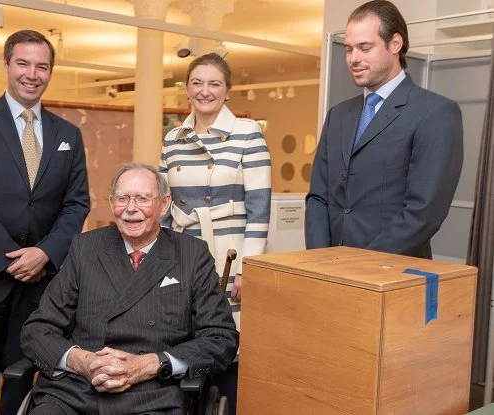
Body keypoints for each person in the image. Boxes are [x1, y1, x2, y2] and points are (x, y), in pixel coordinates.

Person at [0, 30, 90, 414]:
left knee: (25, 377)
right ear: (6, 65)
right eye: (23, 63)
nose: (32, 73)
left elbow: (76, 204)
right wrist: (10, 258)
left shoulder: (68, 135)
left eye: (42, 66)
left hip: (40, 286)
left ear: (51, 72)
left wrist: (44, 253)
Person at [20, 163, 239, 414]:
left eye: (143, 199)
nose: (131, 209)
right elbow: (37, 329)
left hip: (153, 394)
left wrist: (149, 364)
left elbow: (221, 338)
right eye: (122, 198)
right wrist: (83, 362)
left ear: (164, 204)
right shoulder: (85, 248)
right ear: (112, 203)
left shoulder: (192, 255)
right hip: (75, 390)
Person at [306, 0, 463, 259]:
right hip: (331, 273)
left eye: (364, 48)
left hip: (392, 276)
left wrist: (363, 267)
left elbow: (423, 213)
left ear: (395, 44)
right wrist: (322, 261)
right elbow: (318, 198)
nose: (353, 59)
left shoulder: (435, 113)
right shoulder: (338, 115)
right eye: (348, 49)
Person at [159, 52, 271, 330]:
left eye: (214, 84)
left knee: (225, 337)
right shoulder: (173, 138)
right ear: (186, 89)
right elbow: (162, 204)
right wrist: (159, 257)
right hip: (181, 250)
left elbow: (259, 208)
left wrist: (248, 268)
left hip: (229, 255)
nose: (205, 91)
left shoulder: (248, 132)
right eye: (197, 83)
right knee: (182, 332)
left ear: (227, 91)